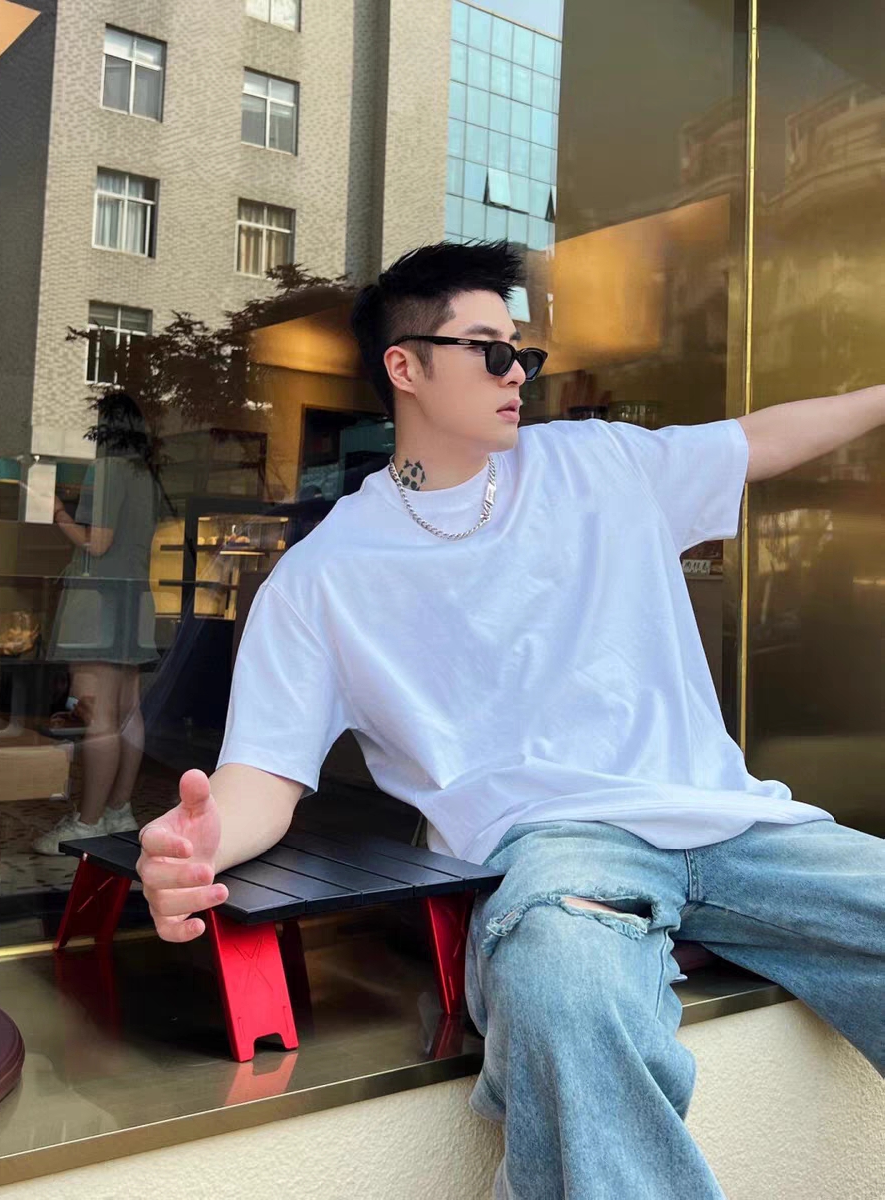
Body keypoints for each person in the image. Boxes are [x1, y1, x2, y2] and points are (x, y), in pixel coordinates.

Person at [136, 242, 885, 1198]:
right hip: (558, 848)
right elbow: (264, 777)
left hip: (737, 821)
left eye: (522, 353)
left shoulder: (599, 463)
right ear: (405, 367)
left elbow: (758, 439)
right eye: (490, 351)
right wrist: (195, 847)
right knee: (563, 994)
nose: (517, 373)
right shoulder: (325, 577)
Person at [35, 392, 160, 854]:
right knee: (128, 710)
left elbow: (97, 543)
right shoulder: (145, 476)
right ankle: (118, 810)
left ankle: (87, 823)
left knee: (97, 712)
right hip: (135, 598)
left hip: (100, 600)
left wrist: (56, 512)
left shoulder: (107, 471)